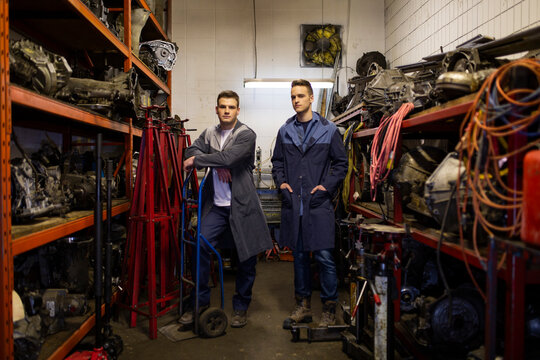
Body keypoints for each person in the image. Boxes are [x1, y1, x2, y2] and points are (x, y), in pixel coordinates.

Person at [180, 90, 272, 328]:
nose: (227, 111)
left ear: (238, 110)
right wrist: (213, 160)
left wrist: (208, 160)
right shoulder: (210, 133)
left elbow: (229, 159)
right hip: (217, 208)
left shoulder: (246, 134)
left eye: (231, 107)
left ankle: (241, 306)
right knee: (199, 245)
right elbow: (191, 150)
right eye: (223, 107)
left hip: (242, 208)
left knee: (247, 257)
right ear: (217, 109)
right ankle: (198, 304)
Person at [271, 79, 348, 328]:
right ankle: (303, 306)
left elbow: (341, 163)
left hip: (319, 204)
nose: (296, 101)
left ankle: (329, 308)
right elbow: (278, 162)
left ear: (311, 98)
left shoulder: (329, 129)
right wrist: (281, 183)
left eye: (301, 96)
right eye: (293, 96)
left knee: (325, 257)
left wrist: (326, 187)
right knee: (300, 256)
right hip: (295, 204)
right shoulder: (285, 131)